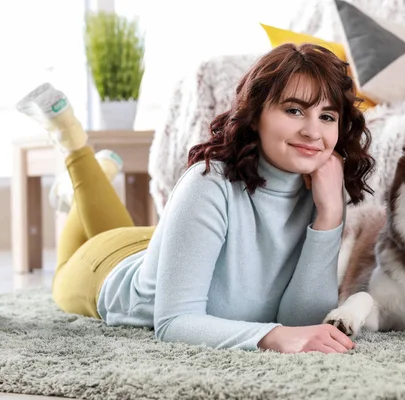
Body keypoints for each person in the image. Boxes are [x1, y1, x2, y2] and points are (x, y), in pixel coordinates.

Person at [17, 43, 375, 354]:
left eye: (326, 116)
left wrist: (329, 215)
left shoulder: (322, 191)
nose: (313, 131)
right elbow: (175, 322)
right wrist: (272, 337)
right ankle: (74, 149)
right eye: (294, 110)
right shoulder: (208, 184)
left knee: (133, 237)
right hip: (105, 266)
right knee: (66, 267)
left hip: (175, 245)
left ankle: (86, 181)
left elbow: (301, 324)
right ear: (255, 115)